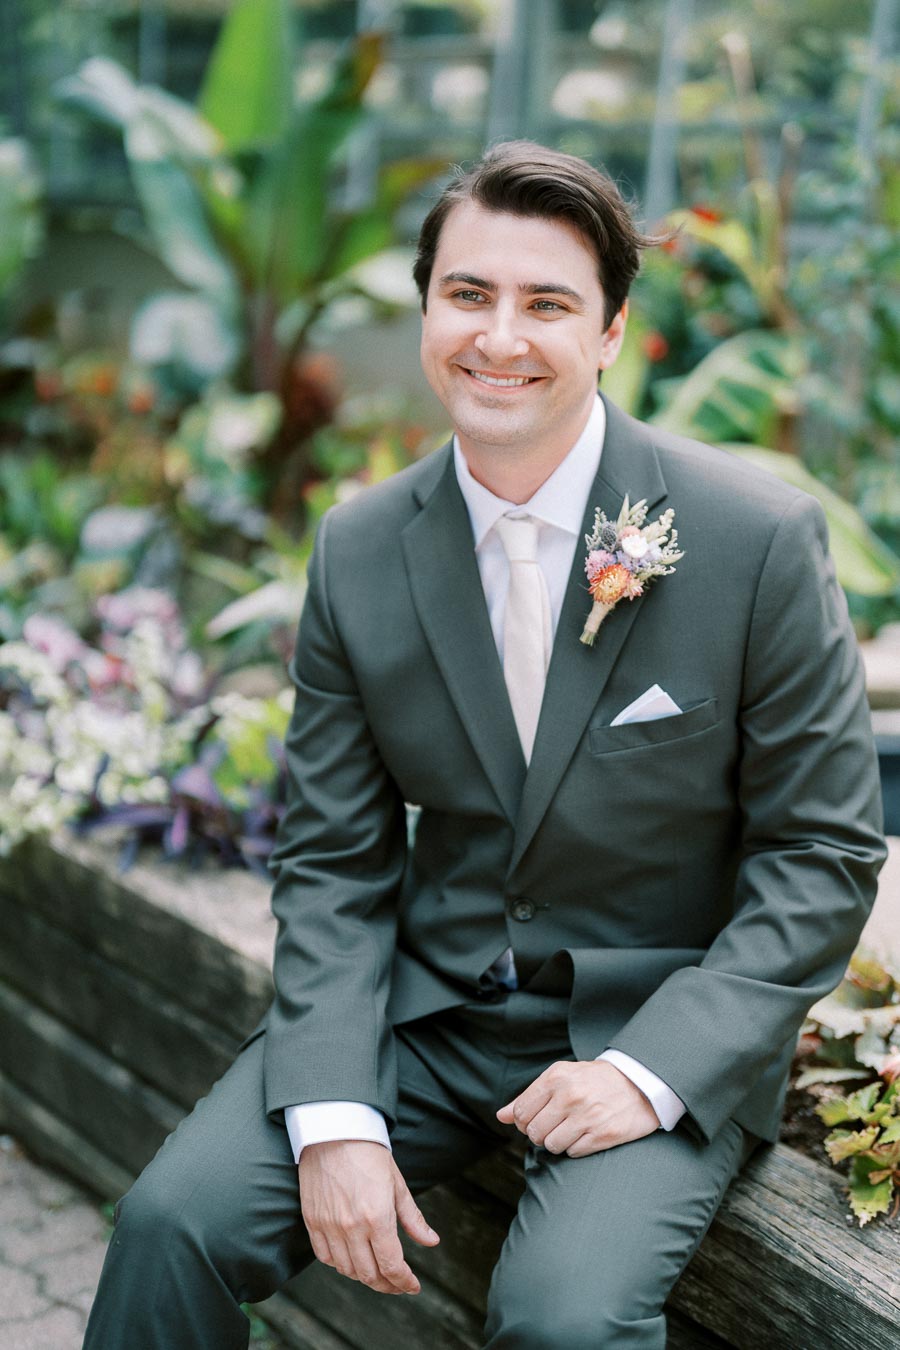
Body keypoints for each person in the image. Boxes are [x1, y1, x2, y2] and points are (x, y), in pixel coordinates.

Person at [83, 141, 886, 1350]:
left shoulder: (754, 541)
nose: (498, 337)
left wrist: (652, 1071)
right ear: (427, 311)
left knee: (561, 1321)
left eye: (546, 303)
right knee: (169, 1223)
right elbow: (334, 860)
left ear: (612, 331)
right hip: (426, 1015)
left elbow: (821, 852)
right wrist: (334, 1111)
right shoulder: (359, 549)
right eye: (469, 295)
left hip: (648, 1024)